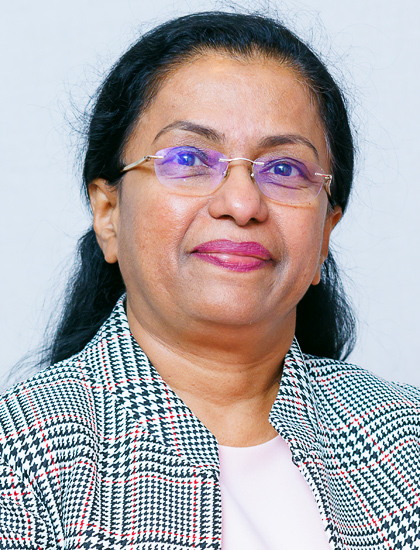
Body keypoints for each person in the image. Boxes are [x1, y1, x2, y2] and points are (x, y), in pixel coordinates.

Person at [0, 10, 419, 550]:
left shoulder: (405, 442)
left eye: (285, 169)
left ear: (323, 235)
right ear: (108, 212)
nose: (242, 204)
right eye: (190, 158)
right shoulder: (25, 456)